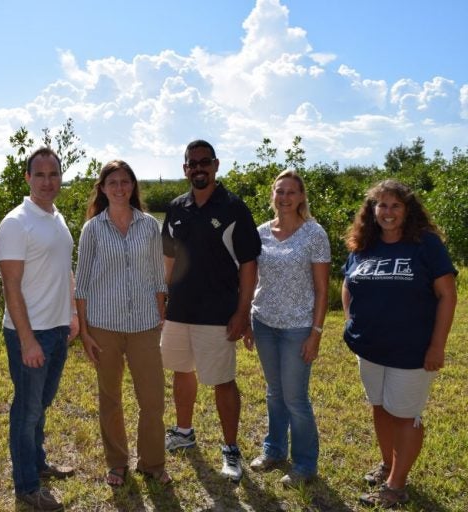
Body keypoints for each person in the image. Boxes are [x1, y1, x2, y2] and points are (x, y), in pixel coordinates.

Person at [342, 179, 457, 508]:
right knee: (380, 407)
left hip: (412, 350)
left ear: (407, 211)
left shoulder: (425, 244)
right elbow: (348, 283)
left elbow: (447, 295)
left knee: (405, 416)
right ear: (372, 210)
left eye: (395, 205)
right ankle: (388, 465)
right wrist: (351, 318)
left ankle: (396, 485)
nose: (387, 212)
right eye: (381, 205)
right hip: (370, 347)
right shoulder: (365, 244)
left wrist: (437, 346)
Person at [161, 139, 261, 482]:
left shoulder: (233, 207)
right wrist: (163, 303)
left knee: (222, 381)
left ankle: (231, 449)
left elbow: (249, 265)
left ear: (216, 165)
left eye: (205, 162)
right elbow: (169, 261)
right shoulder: (176, 207)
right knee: (180, 371)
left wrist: (242, 311)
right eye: (192, 163)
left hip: (218, 312)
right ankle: (184, 432)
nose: (198, 168)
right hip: (179, 311)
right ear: (185, 168)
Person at [75, 160, 169, 487]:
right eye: (112, 182)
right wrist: (85, 331)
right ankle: (117, 462)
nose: (119, 188)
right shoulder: (93, 229)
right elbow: (82, 283)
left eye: (125, 181)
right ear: (102, 188)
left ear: (133, 186)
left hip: (145, 324)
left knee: (153, 399)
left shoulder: (148, 226)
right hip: (105, 326)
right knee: (110, 399)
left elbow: (159, 278)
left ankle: (152, 462)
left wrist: (160, 320)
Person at [0, 147, 80, 511]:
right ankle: (27, 486)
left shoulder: (56, 217)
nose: (48, 181)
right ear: (27, 178)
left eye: (54, 174)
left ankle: (38, 462)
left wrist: (72, 315)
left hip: (57, 327)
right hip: (28, 333)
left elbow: (64, 270)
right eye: (40, 175)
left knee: (41, 404)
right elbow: (10, 286)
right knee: (27, 410)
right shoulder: (16, 222)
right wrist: (28, 340)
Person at [244, 170, 330, 487]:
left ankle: (305, 464)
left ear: (302, 196)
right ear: (273, 195)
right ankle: (274, 450)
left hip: (297, 328)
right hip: (264, 322)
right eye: (280, 191)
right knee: (274, 392)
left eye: (292, 192)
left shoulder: (314, 233)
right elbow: (252, 278)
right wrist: (247, 322)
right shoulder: (261, 232)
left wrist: (316, 333)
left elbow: (322, 290)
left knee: (296, 398)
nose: (285, 197)